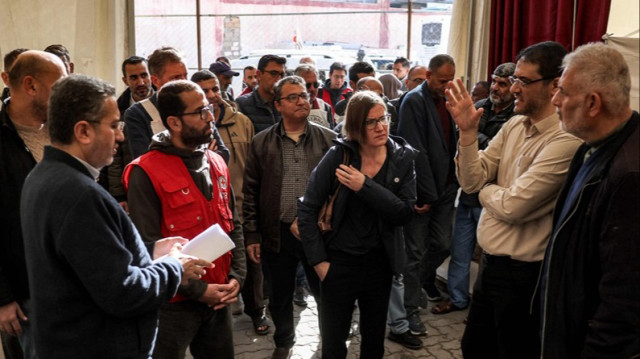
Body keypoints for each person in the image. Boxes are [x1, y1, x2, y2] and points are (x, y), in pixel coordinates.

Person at [20, 74, 211, 359]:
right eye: (113, 126)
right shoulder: (79, 194)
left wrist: (149, 252)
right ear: (83, 131)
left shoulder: (44, 176)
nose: (121, 136)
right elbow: (124, 293)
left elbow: (90, 261)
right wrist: (174, 267)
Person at [445, 41, 582, 359]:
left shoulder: (566, 139)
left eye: (523, 80)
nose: (513, 88)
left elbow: (513, 207)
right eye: (514, 79)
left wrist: (486, 189)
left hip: (525, 278)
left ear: (553, 85)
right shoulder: (515, 125)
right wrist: (467, 133)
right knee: (475, 350)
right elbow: (469, 182)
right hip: (490, 268)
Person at [124, 79, 246, 358]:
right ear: (174, 123)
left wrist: (238, 277)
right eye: (201, 112)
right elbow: (148, 246)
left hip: (219, 297)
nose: (210, 117)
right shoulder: (145, 172)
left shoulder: (216, 162)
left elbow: (232, 224)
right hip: (173, 304)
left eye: (209, 109)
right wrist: (199, 290)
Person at [298, 91, 417, 358]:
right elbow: (307, 209)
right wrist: (319, 263)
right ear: (355, 125)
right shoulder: (338, 156)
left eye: (384, 118)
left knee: (373, 342)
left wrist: (365, 186)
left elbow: (403, 213)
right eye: (371, 122)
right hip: (339, 263)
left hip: (379, 265)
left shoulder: (401, 158)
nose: (381, 126)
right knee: (333, 343)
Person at [539, 42, 639, 358]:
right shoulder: (589, 146)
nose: (554, 100)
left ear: (593, 103)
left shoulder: (630, 176)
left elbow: (623, 298)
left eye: (564, 92)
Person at [243, 76, 336, 359]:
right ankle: (284, 342)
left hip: (316, 232)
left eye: (304, 95)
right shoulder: (262, 142)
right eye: (293, 97)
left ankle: (330, 342)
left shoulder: (328, 139)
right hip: (277, 232)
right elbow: (250, 191)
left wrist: (323, 219)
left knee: (325, 292)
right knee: (280, 294)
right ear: (278, 105)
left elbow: (337, 190)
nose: (302, 100)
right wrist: (253, 235)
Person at [432, 62, 516, 315]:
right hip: (468, 196)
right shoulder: (479, 108)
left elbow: (497, 151)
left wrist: (473, 134)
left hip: (494, 199)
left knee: (492, 258)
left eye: (503, 84)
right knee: (460, 252)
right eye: (494, 81)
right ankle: (458, 300)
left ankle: (484, 310)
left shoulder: (516, 118)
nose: (496, 88)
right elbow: (461, 142)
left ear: (515, 87)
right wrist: (473, 135)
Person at [191, 69, 269, 335]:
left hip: (241, 205)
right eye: (205, 91)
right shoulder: (196, 131)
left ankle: (257, 311)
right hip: (208, 212)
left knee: (250, 263)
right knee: (213, 263)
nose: (213, 95)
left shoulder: (242, 122)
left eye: (215, 89)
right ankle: (215, 309)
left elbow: (252, 166)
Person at [0, 50, 67, 359]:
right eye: (59, 86)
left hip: (72, 285)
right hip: (25, 294)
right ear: (30, 86)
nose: (65, 96)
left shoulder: (65, 131)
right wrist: (2, 298)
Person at [397, 54, 458, 336]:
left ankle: (421, 283)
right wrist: (422, 194)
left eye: (451, 80)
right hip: (423, 191)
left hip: (446, 187)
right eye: (442, 80)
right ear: (429, 75)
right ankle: (409, 311)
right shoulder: (414, 101)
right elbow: (413, 151)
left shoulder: (448, 98)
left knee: (444, 244)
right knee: (414, 252)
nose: (447, 85)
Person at [124, 47, 228, 160]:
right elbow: (146, 162)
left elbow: (223, 154)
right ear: (155, 81)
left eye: (185, 76)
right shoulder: (138, 113)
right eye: (176, 78)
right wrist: (203, 155)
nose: (184, 82)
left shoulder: (200, 105)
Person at [104, 55, 155, 211]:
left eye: (144, 76)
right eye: (133, 77)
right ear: (125, 80)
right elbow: (115, 156)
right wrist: (119, 194)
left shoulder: (164, 104)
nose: (140, 82)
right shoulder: (117, 111)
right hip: (135, 185)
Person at [236, 54, 286, 134]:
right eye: (273, 73)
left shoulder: (285, 104)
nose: (279, 79)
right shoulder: (242, 105)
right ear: (259, 75)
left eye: (282, 75)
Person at [295, 64, 334, 128]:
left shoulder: (325, 107)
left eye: (316, 84)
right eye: (307, 85)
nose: (312, 89)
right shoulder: (289, 107)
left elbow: (331, 135)